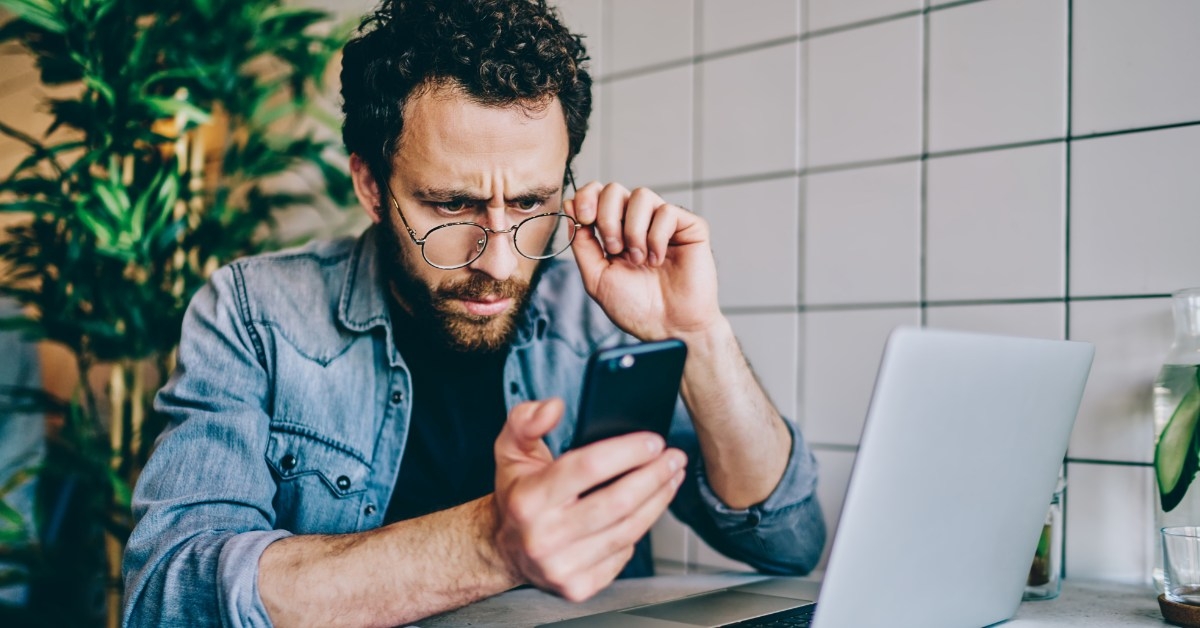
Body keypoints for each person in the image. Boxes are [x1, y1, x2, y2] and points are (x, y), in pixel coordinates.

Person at [122, 1, 825, 625]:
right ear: (369, 183)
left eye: (529, 204)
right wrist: (490, 544)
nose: (497, 260)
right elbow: (167, 597)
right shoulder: (255, 312)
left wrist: (696, 337)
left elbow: (787, 542)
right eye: (451, 206)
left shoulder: (602, 305)